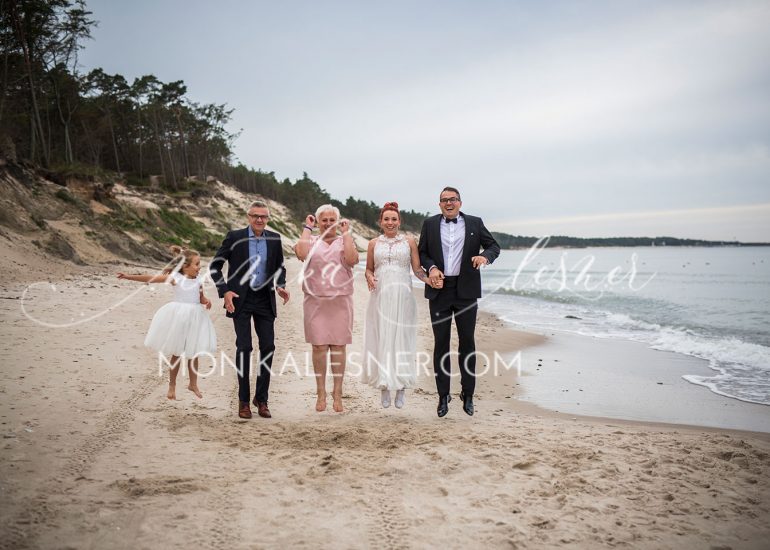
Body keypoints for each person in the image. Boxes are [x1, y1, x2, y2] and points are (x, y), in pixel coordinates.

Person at [418, 186, 501, 417]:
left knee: (467, 343)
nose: (449, 203)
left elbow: (494, 246)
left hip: (466, 291)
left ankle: (468, 394)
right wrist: (431, 268)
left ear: (460, 202)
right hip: (439, 290)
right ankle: (443, 396)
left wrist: (484, 257)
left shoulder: (475, 223)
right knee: (441, 344)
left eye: (453, 199)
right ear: (439, 204)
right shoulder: (430, 224)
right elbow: (422, 253)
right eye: (444, 200)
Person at [209, 200, 290, 419]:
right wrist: (224, 290)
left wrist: (280, 285)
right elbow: (215, 266)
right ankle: (243, 401)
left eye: (263, 216)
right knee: (244, 348)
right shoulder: (234, 237)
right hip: (240, 299)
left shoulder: (274, 239)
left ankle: (261, 400)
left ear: (268, 218)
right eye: (255, 216)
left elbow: (279, 267)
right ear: (248, 217)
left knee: (268, 347)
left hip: (265, 298)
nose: (259, 220)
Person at [117, 245, 215, 401]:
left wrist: (206, 301)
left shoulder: (198, 281)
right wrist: (128, 276)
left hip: (195, 319)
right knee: (177, 353)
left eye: (200, 265)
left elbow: (201, 298)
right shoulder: (176, 278)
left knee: (194, 353)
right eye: (196, 264)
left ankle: (193, 384)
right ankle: (172, 385)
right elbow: (151, 278)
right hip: (179, 318)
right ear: (185, 266)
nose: (199, 268)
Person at [362, 202, 432, 409]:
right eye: (386, 219)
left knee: (402, 339)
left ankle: (401, 386)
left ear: (399, 221)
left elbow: (417, 270)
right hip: (381, 296)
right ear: (380, 222)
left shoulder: (409, 241)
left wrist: (429, 280)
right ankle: (384, 385)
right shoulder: (373, 243)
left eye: (394, 219)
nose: (390, 222)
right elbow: (369, 269)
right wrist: (369, 277)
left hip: (403, 296)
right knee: (382, 337)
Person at [294, 204, 359, 413]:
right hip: (315, 301)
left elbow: (352, 260)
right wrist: (307, 227)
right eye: (324, 220)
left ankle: (337, 392)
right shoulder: (311, 240)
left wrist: (346, 233)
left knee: (339, 347)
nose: (328, 223)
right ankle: (321, 392)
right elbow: (301, 253)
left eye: (332, 220)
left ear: (338, 222)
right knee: (319, 347)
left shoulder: (344, 241)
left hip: (340, 301)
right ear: (318, 222)